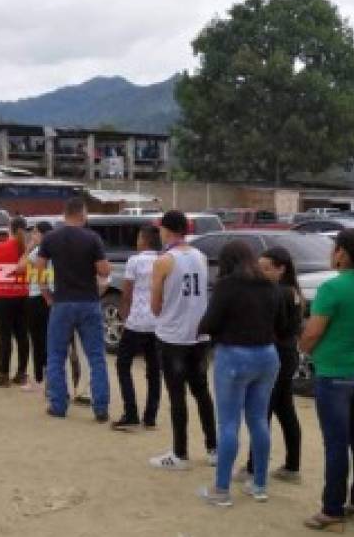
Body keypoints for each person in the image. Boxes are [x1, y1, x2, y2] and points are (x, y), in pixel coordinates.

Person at [299, 228, 354, 532]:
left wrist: (304, 347)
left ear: (342, 253)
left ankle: (331, 510)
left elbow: (312, 332)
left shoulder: (332, 289)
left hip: (335, 373)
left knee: (336, 444)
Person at [197, 239, 283, 505]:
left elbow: (209, 322)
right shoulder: (270, 286)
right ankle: (259, 485)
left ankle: (221, 491)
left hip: (234, 356)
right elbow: (279, 323)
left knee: (229, 424)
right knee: (259, 420)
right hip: (267, 356)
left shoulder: (227, 286)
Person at [36, 197, 112, 419]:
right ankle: (100, 408)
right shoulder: (92, 238)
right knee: (96, 356)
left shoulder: (51, 238)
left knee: (56, 356)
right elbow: (104, 271)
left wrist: (45, 293)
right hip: (88, 302)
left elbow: (39, 269)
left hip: (62, 303)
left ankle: (58, 406)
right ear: (82, 213)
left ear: (65, 213)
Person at [149, 210, 214, 467]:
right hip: (198, 334)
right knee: (201, 392)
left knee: (177, 395)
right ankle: (213, 447)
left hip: (173, 335)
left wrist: (162, 312)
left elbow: (156, 303)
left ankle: (180, 452)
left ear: (168, 230)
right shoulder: (201, 256)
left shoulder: (164, 260)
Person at [251, 247, 304, 483]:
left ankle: (255, 465)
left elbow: (275, 327)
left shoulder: (279, 293)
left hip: (277, 356)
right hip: (288, 354)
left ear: (282, 269)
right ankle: (292, 465)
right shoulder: (292, 292)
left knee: (264, 411)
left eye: (267, 269)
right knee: (284, 409)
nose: (261, 273)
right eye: (259, 268)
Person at [112, 224, 162, 430]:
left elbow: (127, 292)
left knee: (123, 365)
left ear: (144, 240)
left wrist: (124, 315)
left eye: (139, 237)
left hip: (137, 321)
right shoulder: (164, 260)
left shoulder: (135, 261)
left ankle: (131, 412)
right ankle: (150, 416)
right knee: (154, 370)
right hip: (158, 323)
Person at [0, 217, 30, 387]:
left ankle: (3, 375)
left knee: (4, 337)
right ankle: (21, 373)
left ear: (9, 229)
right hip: (23, 296)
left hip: (2, 296)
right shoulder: (27, 250)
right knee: (22, 336)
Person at [22, 221, 55, 392]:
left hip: (37, 298)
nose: (33, 236)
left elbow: (20, 267)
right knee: (49, 339)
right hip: (51, 298)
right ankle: (49, 379)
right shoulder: (57, 249)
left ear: (42, 234)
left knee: (37, 340)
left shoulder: (38, 251)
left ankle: (39, 379)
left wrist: (29, 248)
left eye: (35, 232)